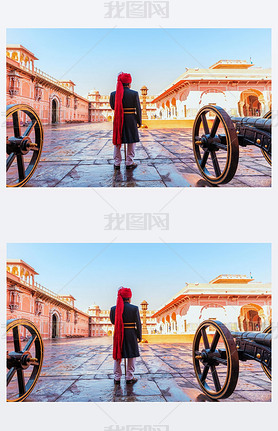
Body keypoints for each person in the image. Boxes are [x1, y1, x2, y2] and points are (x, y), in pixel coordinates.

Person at [110, 287, 142, 384]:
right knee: (131, 356)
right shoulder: (134, 308)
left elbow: (113, 321)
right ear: (129, 297)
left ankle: (117, 377)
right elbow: (138, 324)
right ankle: (129, 377)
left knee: (117, 355)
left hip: (119, 334)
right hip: (131, 333)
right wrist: (139, 336)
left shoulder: (113, 309)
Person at [110, 73, 142, 170]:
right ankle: (129, 161)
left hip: (118, 119)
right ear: (129, 83)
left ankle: (117, 162)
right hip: (131, 118)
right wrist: (139, 121)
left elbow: (113, 107)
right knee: (131, 141)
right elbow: (138, 109)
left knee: (117, 140)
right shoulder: (134, 93)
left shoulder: (113, 94)